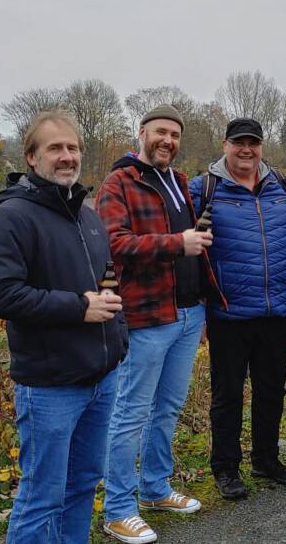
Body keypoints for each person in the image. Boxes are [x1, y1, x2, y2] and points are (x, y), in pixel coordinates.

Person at [0, 111, 128, 544]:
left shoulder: (88, 216)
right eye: (55, 148)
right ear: (31, 157)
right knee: (42, 497)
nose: (66, 156)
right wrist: (78, 307)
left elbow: (108, 287)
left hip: (102, 379)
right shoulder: (11, 219)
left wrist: (120, 341)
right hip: (50, 386)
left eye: (73, 147)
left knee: (83, 487)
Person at [95, 105, 214, 543]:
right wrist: (176, 244)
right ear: (142, 133)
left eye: (175, 135)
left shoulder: (179, 181)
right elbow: (112, 243)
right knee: (130, 413)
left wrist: (201, 306)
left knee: (167, 408)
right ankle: (118, 509)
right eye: (161, 132)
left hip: (187, 313)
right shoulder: (118, 182)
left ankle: (155, 488)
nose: (168, 141)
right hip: (146, 316)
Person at [188, 118, 286, 499]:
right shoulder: (204, 188)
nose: (247, 150)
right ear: (225, 145)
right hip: (227, 312)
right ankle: (226, 468)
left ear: (262, 146)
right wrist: (200, 306)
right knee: (227, 394)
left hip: (277, 310)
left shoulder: (285, 189)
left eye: (253, 143)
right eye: (239, 143)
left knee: (271, 389)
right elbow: (190, 252)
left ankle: (266, 459)